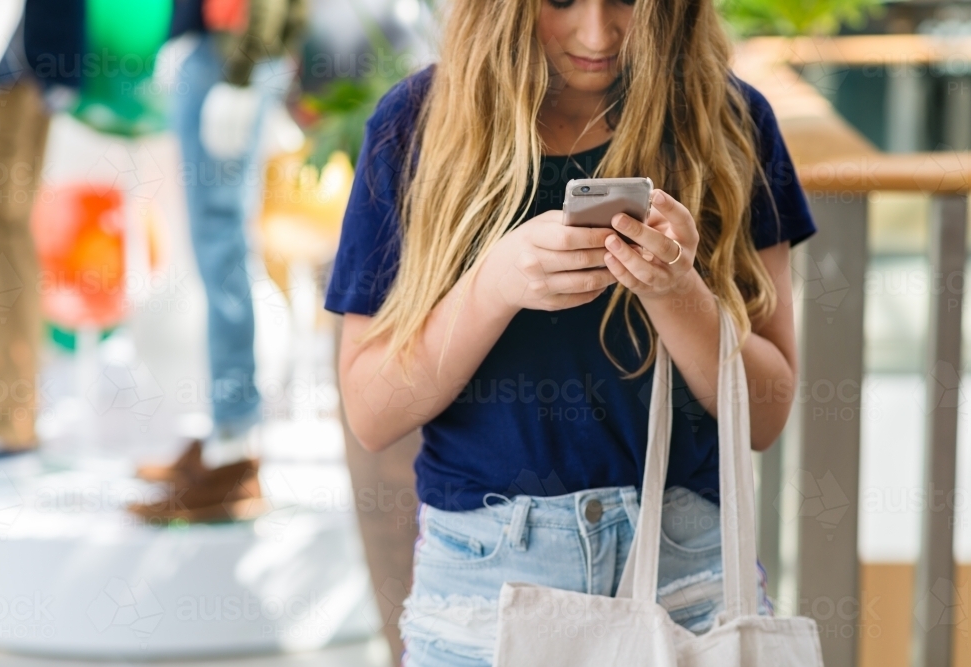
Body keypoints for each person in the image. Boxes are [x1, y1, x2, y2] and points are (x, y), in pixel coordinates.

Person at [326, 0, 816, 664]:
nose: (598, 33)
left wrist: (679, 293)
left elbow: (765, 415)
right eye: (561, 1)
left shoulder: (729, 121)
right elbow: (373, 412)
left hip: (690, 587)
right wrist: (493, 285)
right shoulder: (417, 125)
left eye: (625, 2)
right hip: (485, 594)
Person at [129, 0, 304, 522]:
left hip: (231, 53)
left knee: (222, 247)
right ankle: (227, 437)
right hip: (218, 49)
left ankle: (234, 451)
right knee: (215, 249)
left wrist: (242, 70)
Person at [0, 0, 83, 456]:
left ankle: (12, 416)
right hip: (19, 68)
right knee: (0, 238)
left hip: (8, 73)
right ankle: (9, 411)